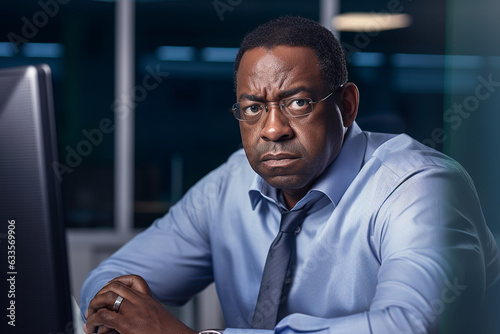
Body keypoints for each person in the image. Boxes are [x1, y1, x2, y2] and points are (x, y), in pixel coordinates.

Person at [81, 16, 500, 334]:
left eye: (297, 103)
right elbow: (109, 276)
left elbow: (410, 325)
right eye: (252, 108)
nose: (272, 129)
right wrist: (113, 312)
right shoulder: (228, 185)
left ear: (347, 107)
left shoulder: (419, 186)